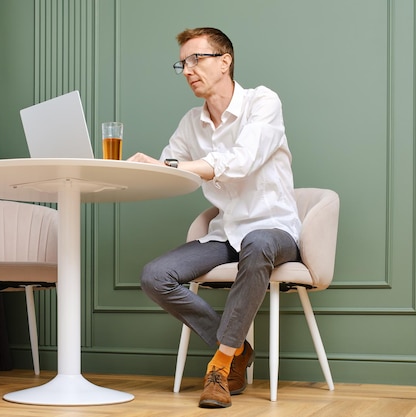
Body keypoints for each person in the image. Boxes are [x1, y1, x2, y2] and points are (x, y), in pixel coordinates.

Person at [127, 27, 302, 408]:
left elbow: (240, 162)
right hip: (226, 234)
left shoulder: (263, 102)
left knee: (257, 242)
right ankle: (239, 349)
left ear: (226, 61)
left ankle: (220, 367)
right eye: (183, 63)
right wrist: (141, 170)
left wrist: (174, 164)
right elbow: (173, 169)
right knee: (155, 276)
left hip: (274, 230)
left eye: (197, 59)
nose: (188, 70)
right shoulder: (192, 122)